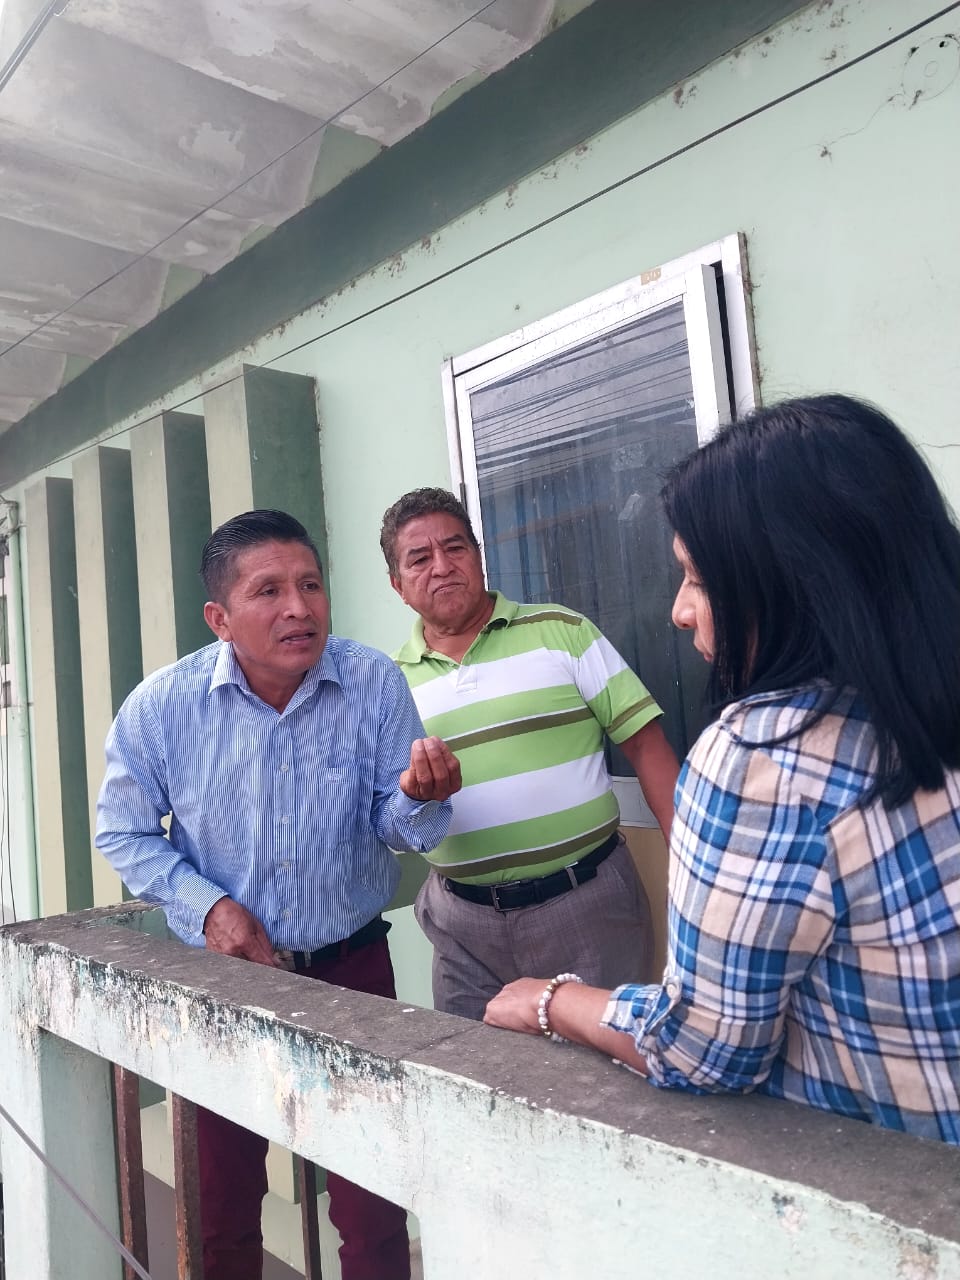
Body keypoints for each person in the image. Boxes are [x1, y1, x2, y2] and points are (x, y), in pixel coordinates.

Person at [485, 394, 960, 1146]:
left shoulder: (760, 757)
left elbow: (704, 1049)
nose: (679, 612)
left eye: (699, 579)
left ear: (793, 581)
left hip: (885, 1183)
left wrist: (553, 1002)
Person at [97, 509, 462, 1280]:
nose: (299, 608)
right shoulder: (163, 709)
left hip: (353, 974)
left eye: (310, 585)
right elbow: (122, 832)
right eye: (269, 591)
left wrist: (421, 797)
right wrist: (209, 907)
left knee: (374, 1207)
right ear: (220, 618)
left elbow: (397, 826)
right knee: (222, 1204)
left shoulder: (371, 682)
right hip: (227, 981)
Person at [379, 488, 679, 1021]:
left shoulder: (563, 632)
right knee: (471, 1065)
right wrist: (413, 794)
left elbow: (645, 745)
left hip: (586, 906)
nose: (442, 566)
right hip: (461, 928)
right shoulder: (388, 684)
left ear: (478, 556)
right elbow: (386, 813)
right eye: (420, 559)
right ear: (397, 586)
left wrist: (690, 865)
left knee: (600, 1066)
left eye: (455, 548)